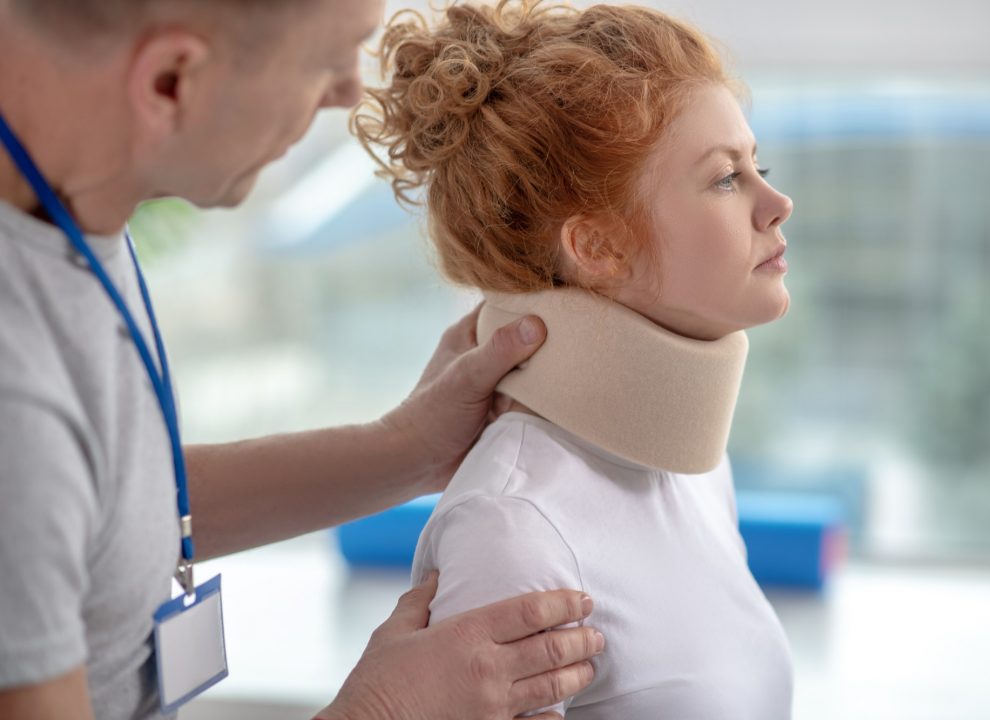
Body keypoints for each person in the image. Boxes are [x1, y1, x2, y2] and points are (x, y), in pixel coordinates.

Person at [0, 0, 606, 719]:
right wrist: (379, 711)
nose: (348, 90)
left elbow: (98, 503)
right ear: (170, 82)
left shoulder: (65, 204)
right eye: (327, 60)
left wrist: (407, 449)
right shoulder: (17, 398)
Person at [354, 1, 796, 717]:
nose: (777, 202)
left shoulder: (695, 469)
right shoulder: (512, 530)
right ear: (597, 247)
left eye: (758, 166)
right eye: (725, 178)